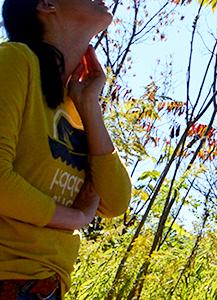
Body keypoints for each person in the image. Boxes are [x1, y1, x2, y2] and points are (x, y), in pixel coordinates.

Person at [0, 0, 133, 297]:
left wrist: (89, 106)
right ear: (47, 4)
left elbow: (116, 201)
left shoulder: (76, 102)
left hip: (49, 284)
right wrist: (74, 218)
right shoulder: (13, 60)